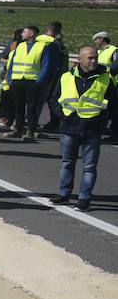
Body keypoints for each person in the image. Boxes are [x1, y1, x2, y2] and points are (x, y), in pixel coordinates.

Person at [53, 46, 115, 211]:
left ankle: (84, 198)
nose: (93, 60)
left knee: (89, 166)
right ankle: (63, 193)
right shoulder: (66, 77)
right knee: (67, 162)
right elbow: (54, 98)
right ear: (79, 60)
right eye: (89, 58)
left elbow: (113, 103)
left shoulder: (105, 78)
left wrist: (102, 121)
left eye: (95, 57)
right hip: (69, 127)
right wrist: (63, 116)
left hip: (92, 129)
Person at [7, 25, 45, 139]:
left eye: (24, 32)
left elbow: (45, 65)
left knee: (31, 107)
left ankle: (30, 131)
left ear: (32, 34)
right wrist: (9, 78)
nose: (22, 34)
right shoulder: (20, 46)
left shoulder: (41, 47)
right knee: (18, 106)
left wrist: (39, 81)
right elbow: (12, 63)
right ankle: (18, 129)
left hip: (32, 81)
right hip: (18, 79)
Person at [37, 21, 67, 132]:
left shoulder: (38, 39)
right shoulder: (57, 44)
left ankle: (30, 124)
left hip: (35, 74)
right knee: (53, 100)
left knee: (37, 102)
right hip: (53, 76)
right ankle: (55, 122)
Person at [93, 31, 118, 143]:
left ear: (102, 39)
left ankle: (115, 135)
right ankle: (103, 128)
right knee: (103, 108)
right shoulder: (99, 52)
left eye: (96, 39)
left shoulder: (113, 50)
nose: (95, 42)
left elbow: (115, 67)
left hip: (113, 84)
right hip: (101, 84)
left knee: (114, 111)